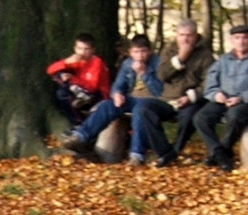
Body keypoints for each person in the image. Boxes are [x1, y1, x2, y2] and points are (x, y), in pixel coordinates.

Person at [61, 34, 163, 166]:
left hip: (152, 100)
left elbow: (159, 91)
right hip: (131, 99)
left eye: (143, 51)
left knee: (140, 110)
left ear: (149, 51)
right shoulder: (127, 64)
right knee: (107, 106)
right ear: (131, 52)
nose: (140, 55)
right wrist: (117, 94)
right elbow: (117, 84)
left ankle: (137, 155)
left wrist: (144, 73)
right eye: (136, 52)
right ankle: (80, 137)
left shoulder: (158, 63)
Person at [135, 19, 215, 168]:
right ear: (176, 36)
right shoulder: (168, 50)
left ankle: (175, 150)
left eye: (189, 35)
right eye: (182, 35)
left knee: (189, 116)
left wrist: (191, 96)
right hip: (167, 99)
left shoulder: (205, 54)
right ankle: (164, 152)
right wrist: (180, 59)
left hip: (191, 100)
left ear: (196, 36)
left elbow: (209, 83)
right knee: (144, 109)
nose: (185, 39)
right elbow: (162, 75)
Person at [194, 24, 248, 172]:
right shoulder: (223, 60)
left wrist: (241, 98)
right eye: (237, 38)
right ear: (231, 40)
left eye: (245, 38)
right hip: (223, 100)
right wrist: (215, 94)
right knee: (200, 118)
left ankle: (221, 153)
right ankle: (220, 153)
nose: (241, 41)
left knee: (235, 115)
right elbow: (209, 83)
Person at [46, 33, 112, 128]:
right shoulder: (75, 60)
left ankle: (81, 122)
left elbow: (92, 87)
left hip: (98, 95)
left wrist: (72, 79)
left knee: (65, 92)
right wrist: (66, 62)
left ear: (93, 50)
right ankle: (78, 124)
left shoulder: (97, 62)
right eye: (79, 48)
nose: (82, 52)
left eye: (86, 49)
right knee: (59, 80)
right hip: (79, 91)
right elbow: (50, 70)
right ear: (75, 48)